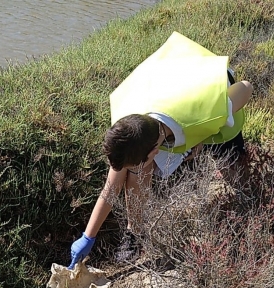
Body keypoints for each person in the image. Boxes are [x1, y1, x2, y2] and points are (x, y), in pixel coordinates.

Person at [67, 32, 253, 269]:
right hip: (167, 89)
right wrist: (88, 236)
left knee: (236, 177)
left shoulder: (206, 114)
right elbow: (112, 187)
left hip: (208, 90)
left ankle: (248, 211)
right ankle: (135, 234)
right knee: (136, 171)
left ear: (155, 149)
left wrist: (204, 137)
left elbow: (246, 87)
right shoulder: (128, 123)